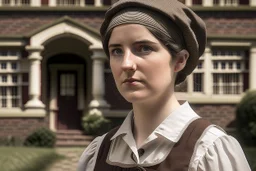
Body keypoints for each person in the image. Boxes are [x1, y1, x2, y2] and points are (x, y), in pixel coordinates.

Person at [78, 0, 251, 170]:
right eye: (117, 51)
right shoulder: (97, 153)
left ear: (180, 60)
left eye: (144, 48)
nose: (126, 64)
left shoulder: (209, 150)